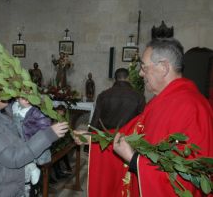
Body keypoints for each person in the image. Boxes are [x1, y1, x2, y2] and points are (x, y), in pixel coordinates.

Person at [74, 38, 213, 197]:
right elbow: (131, 132)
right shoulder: (161, 100)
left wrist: (134, 160)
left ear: (164, 67)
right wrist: (94, 138)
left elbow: (185, 181)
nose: (140, 73)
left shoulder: (193, 108)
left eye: (144, 67)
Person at [0, 73, 69, 197]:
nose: (6, 91)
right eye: (0, 88)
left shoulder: (7, 113)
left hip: (13, 186)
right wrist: (47, 135)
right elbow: (13, 158)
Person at [84, 68, 145, 152]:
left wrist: (88, 144)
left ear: (115, 78)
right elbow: (142, 122)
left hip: (106, 141)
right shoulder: (139, 96)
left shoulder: (103, 95)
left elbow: (96, 119)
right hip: (127, 142)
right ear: (128, 78)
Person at [11, 97, 52, 197]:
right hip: (17, 142)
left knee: (29, 173)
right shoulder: (15, 106)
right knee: (22, 170)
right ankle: (24, 189)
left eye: (28, 98)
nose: (26, 101)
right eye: (21, 98)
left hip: (31, 142)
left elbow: (45, 126)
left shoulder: (36, 112)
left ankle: (32, 174)